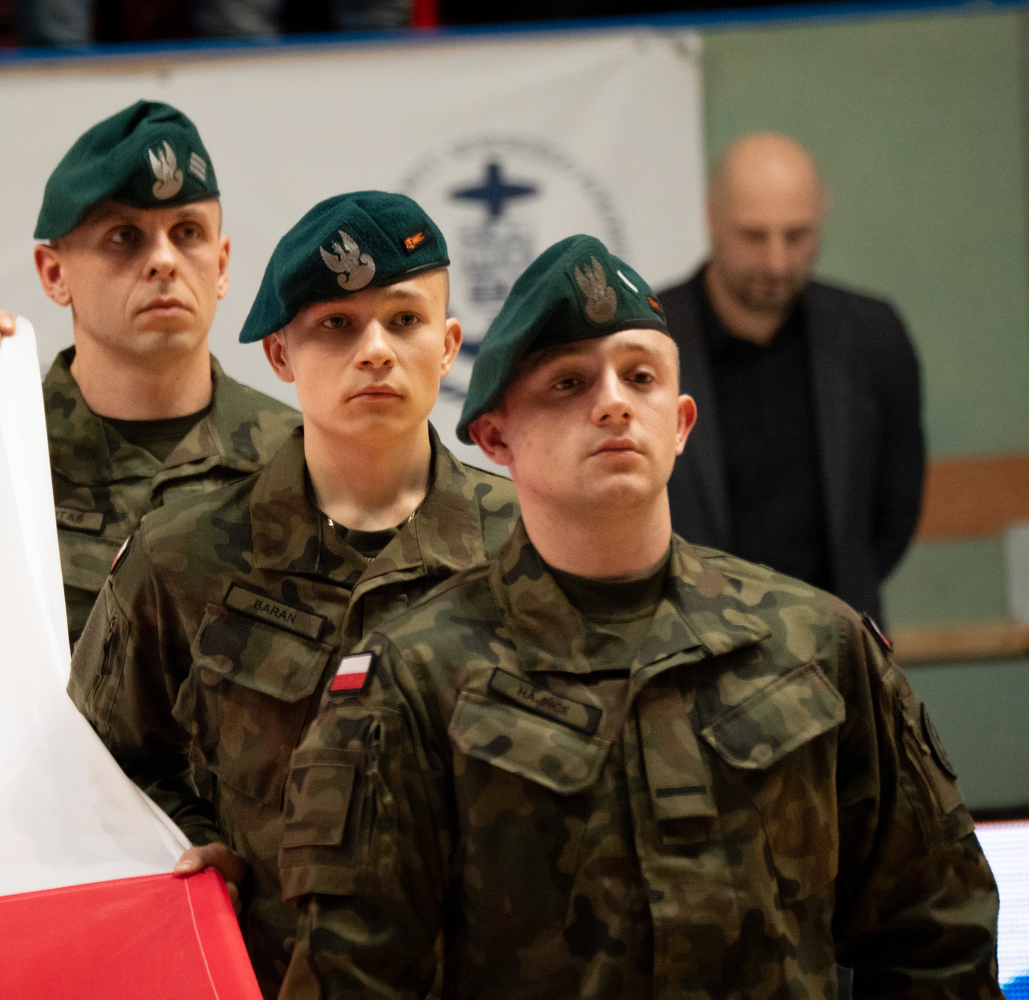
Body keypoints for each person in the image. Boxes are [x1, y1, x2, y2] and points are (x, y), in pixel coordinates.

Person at [277, 235, 1001, 999]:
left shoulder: (814, 642)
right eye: (568, 383)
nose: (614, 402)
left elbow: (935, 933)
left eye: (641, 377)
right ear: (494, 435)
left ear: (681, 423)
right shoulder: (414, 678)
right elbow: (352, 978)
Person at [67, 191, 520, 997]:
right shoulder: (185, 556)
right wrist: (189, 844)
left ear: (450, 345)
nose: (375, 351)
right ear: (280, 353)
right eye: (336, 325)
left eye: (404, 321)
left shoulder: (529, 547)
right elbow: (99, 761)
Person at [0, 101, 299, 648]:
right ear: (54, 273)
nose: (164, 260)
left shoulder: (302, 460)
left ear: (221, 265)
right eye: (124, 237)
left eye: (187, 232)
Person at [659, 133, 924, 624]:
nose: (776, 262)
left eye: (797, 235)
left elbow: (894, 513)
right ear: (711, 217)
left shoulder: (873, 337)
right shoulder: (647, 343)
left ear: (823, 215)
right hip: (689, 644)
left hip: (836, 641)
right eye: (753, 236)